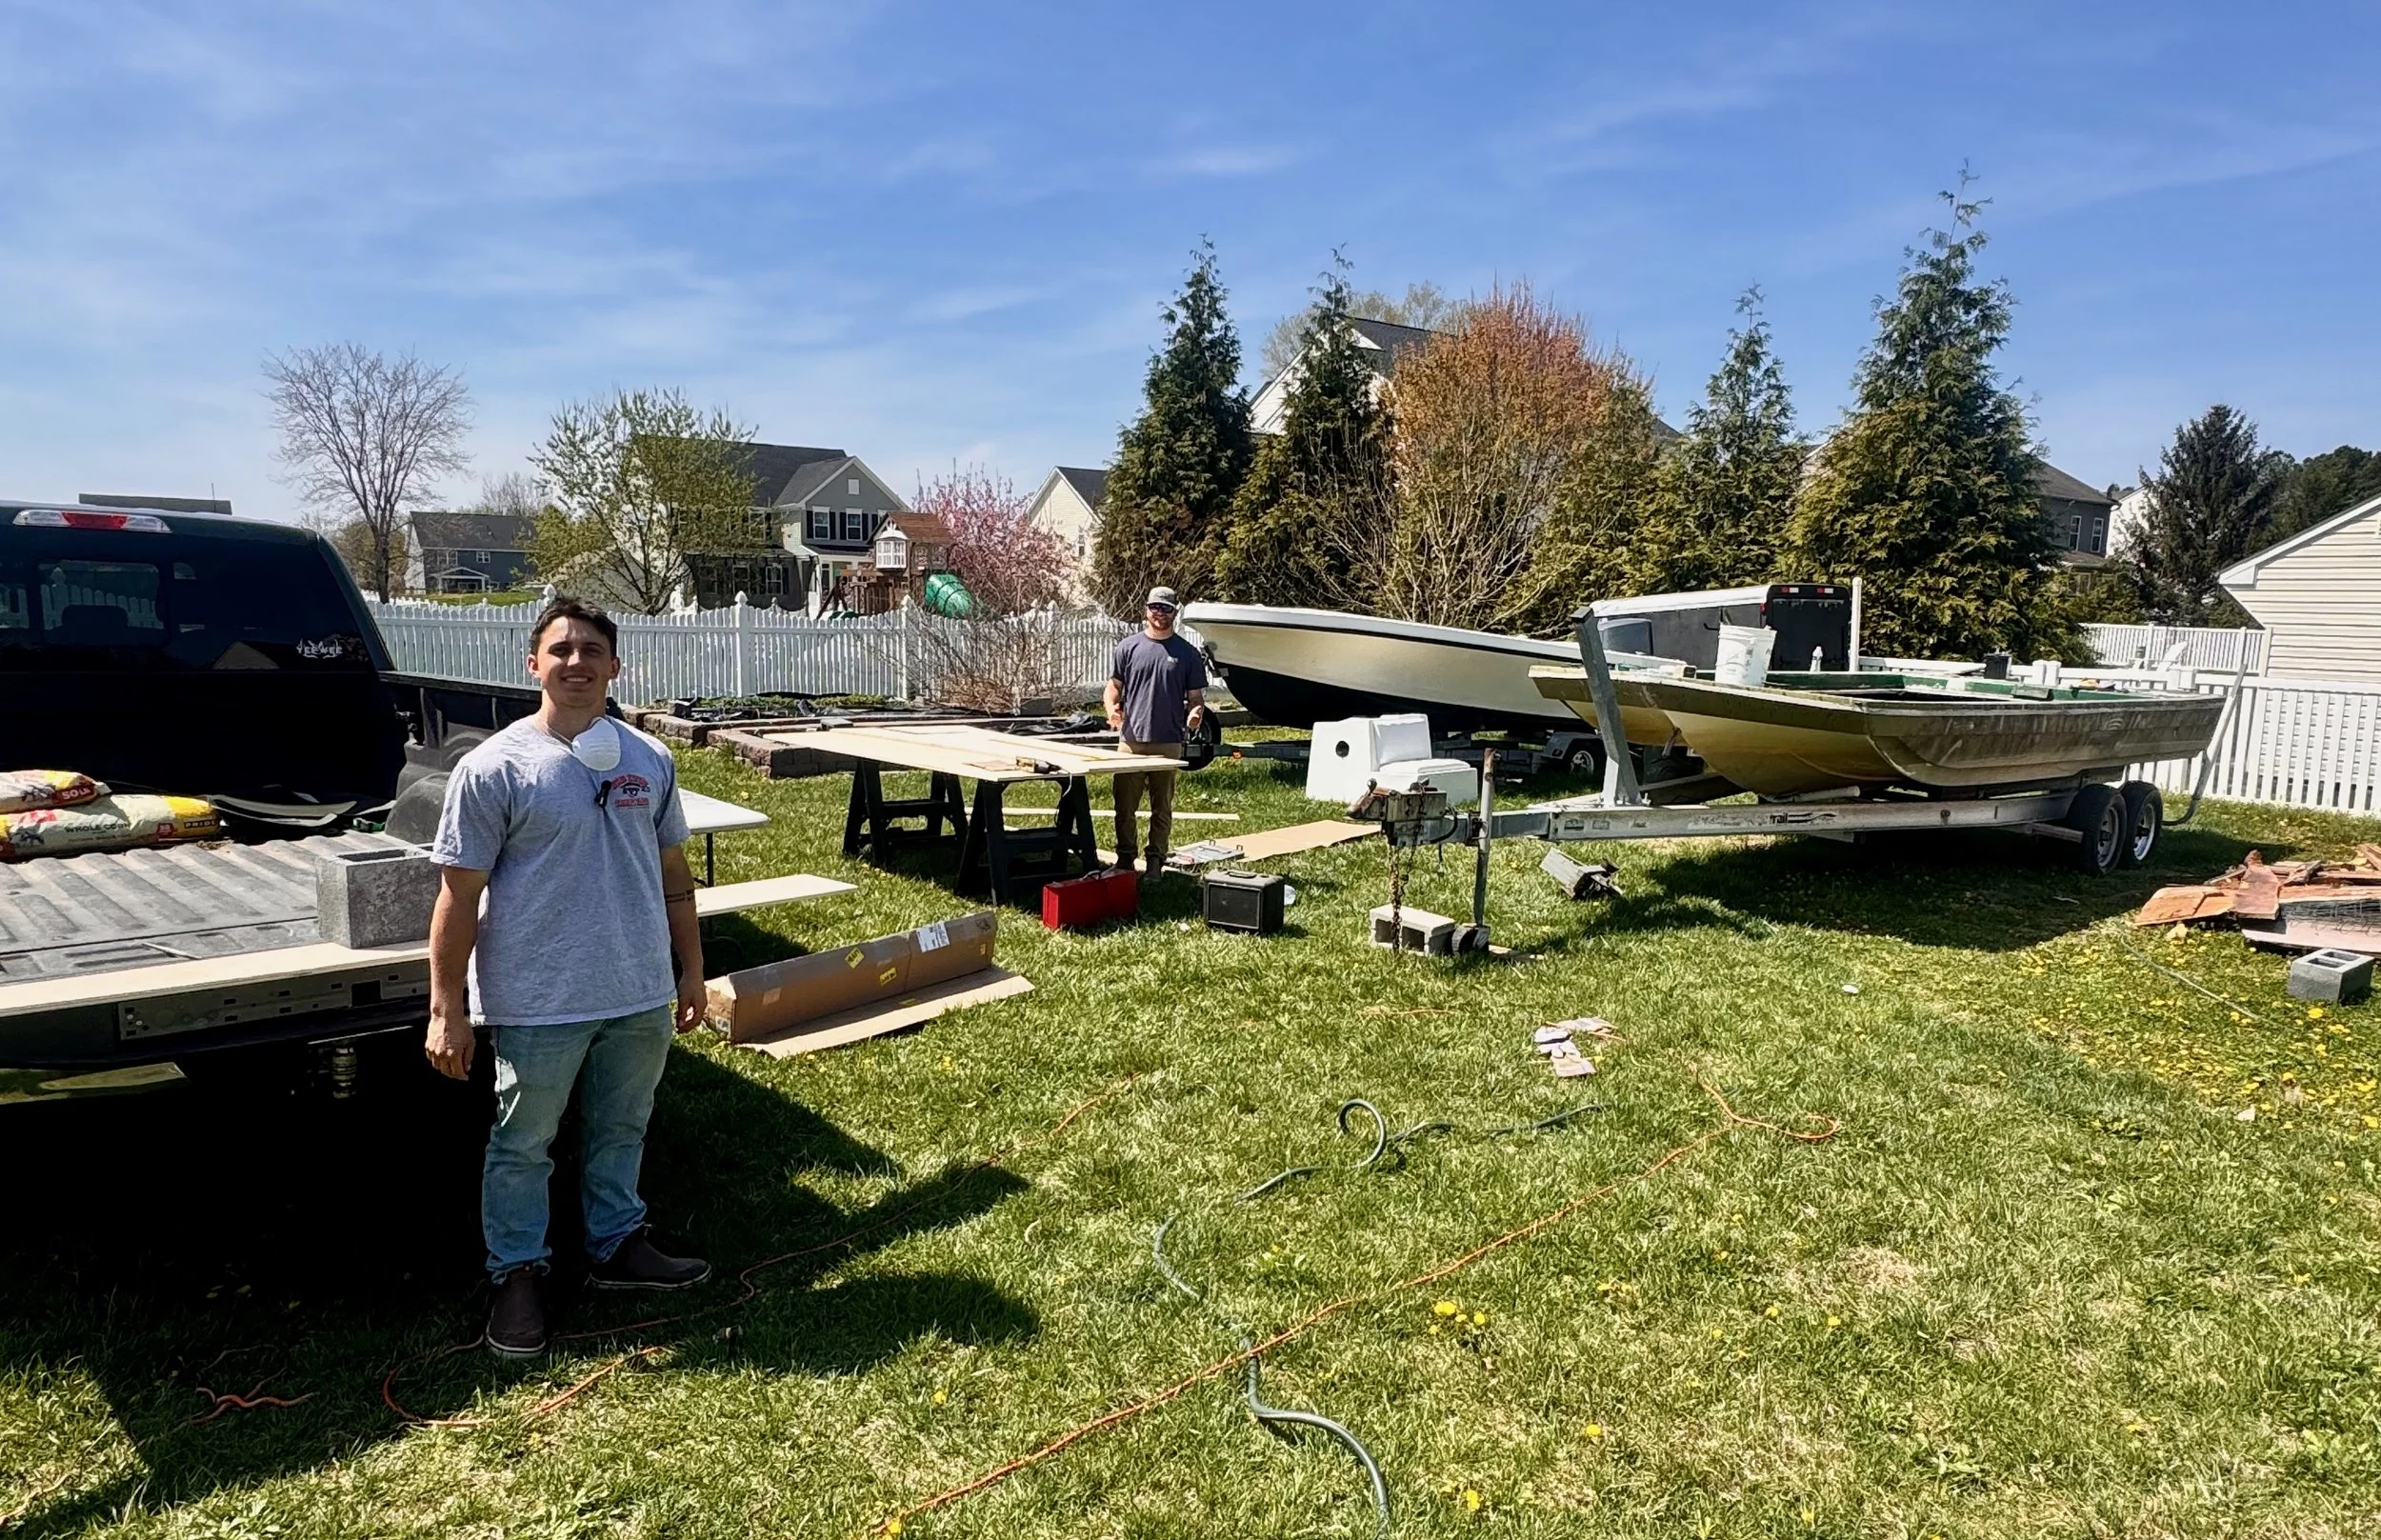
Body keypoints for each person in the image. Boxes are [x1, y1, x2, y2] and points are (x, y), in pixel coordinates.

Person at [425, 594, 711, 1359]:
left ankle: (617, 1243)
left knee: (624, 1126)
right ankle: (517, 1272)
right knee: (525, 1142)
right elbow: (458, 895)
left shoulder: (649, 759)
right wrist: (444, 1007)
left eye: (592, 649)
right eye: (561, 649)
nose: (577, 662)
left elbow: (674, 877)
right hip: (539, 997)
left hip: (639, 990)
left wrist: (691, 970)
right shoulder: (494, 768)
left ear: (616, 666)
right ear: (534, 665)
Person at [1104, 586, 1207, 876]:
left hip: (1169, 741)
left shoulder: (1187, 654)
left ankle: (1155, 862)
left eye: (1166, 609)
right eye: (1155, 608)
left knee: (1161, 807)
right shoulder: (1127, 648)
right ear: (1146, 610)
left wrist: (1195, 714)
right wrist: (1111, 709)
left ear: (1175, 612)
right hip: (1131, 741)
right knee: (1124, 807)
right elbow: (1113, 687)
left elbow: (1196, 698)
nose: (1160, 613)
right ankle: (1125, 860)